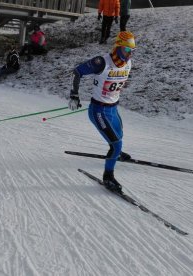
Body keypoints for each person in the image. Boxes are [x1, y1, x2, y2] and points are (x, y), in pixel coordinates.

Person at [68, 31, 136, 193]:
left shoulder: (128, 63)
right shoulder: (101, 62)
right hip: (99, 110)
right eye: (126, 50)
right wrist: (74, 95)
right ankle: (108, 176)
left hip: (113, 108)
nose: (129, 55)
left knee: (119, 134)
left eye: (132, 51)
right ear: (118, 47)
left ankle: (116, 153)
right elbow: (77, 72)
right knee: (116, 144)